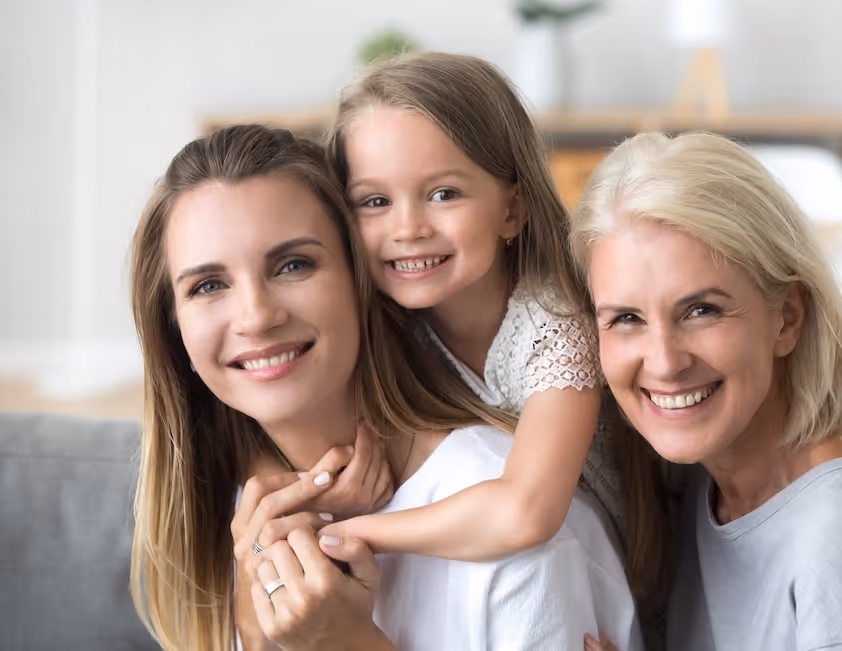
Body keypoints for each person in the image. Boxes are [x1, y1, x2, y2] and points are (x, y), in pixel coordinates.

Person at [127, 124, 641, 651]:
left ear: (361, 279)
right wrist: (255, 630)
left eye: (294, 265)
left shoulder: (512, 530)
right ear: (174, 327)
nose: (256, 317)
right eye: (209, 285)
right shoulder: (248, 520)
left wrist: (349, 643)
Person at [572, 132, 842, 651]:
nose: (664, 362)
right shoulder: (707, 468)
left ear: (788, 317)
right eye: (627, 318)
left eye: (702, 310)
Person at [316, 51, 635, 566]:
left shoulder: (555, 328)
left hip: (605, 576)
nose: (408, 229)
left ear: (512, 210)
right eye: (375, 202)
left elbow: (527, 513)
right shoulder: (381, 322)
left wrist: (347, 532)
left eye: (444, 194)